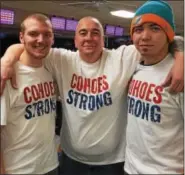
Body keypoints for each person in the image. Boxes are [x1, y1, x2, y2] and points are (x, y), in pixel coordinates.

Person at [0, 15, 184, 175]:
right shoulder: (60, 59)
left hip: (113, 162)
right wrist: (6, 60)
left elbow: (167, 38)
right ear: (75, 40)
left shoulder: (122, 58)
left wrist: (181, 57)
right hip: (71, 160)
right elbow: (28, 46)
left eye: (95, 33)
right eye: (83, 33)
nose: (89, 38)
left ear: (104, 39)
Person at [124, 0, 184, 174]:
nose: (145, 36)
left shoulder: (179, 74)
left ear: (168, 35)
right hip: (131, 168)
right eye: (139, 29)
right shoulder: (132, 64)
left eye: (155, 28)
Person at [0, 14, 59, 174]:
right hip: (18, 169)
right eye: (33, 34)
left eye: (47, 34)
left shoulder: (50, 70)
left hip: (50, 165)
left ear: (52, 39)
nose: (41, 40)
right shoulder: (6, 76)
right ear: (21, 37)